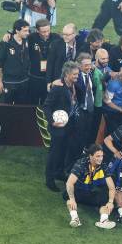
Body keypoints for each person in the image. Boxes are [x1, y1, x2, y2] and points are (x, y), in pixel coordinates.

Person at [44, 61, 82, 191]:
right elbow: (47, 106)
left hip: (70, 124)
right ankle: (49, 179)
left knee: (64, 150)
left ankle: (59, 173)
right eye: (75, 74)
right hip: (58, 126)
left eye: (78, 73)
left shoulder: (72, 85)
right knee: (54, 152)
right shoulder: (58, 87)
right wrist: (52, 121)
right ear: (66, 74)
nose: (77, 76)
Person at [64, 144, 116, 229]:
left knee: (105, 200)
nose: (100, 158)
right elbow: (69, 183)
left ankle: (104, 220)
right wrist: (72, 199)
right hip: (79, 191)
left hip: (91, 193)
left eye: (102, 156)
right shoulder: (81, 163)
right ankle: (75, 219)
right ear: (90, 156)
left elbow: (111, 187)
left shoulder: (103, 165)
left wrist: (110, 202)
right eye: (97, 156)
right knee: (69, 199)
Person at [0, 19, 30, 104]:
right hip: (9, 82)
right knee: (5, 108)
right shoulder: (6, 43)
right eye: (25, 31)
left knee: (21, 108)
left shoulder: (27, 39)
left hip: (24, 82)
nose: (27, 33)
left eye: (28, 30)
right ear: (17, 31)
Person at [26, 18, 60, 105]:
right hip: (35, 77)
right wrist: (8, 34)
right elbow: (18, 33)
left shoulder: (56, 38)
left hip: (49, 78)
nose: (46, 34)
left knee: (47, 102)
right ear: (37, 30)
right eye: (43, 32)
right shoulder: (31, 38)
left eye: (48, 30)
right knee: (32, 102)